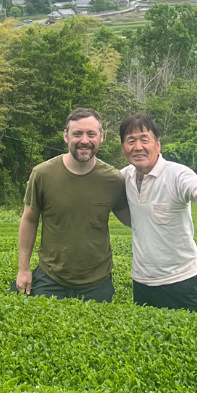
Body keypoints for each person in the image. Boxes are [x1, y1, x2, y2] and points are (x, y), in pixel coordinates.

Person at [119, 112, 197, 312]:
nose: (138, 147)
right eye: (131, 141)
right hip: (142, 282)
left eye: (145, 140)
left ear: (158, 145)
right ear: (123, 149)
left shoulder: (176, 174)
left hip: (181, 282)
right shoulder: (124, 177)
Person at [14, 107, 130, 302]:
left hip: (97, 282)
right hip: (50, 277)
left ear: (101, 137)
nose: (84, 140)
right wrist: (23, 269)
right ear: (66, 136)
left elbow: (131, 219)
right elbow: (29, 219)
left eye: (91, 134)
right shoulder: (42, 174)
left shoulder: (113, 179)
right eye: (77, 134)